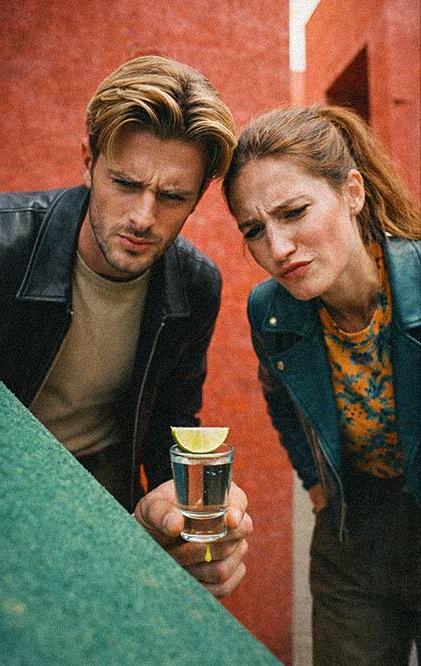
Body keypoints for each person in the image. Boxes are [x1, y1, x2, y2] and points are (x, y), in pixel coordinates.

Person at [0, 55, 252, 598]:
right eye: (125, 183)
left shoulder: (196, 284)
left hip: (104, 512)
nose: (143, 217)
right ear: (88, 162)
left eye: (172, 197)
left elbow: (172, 421)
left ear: (198, 197)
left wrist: (188, 521)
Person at [223, 105, 420, 664]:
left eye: (294, 212)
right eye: (254, 230)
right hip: (352, 528)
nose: (278, 247)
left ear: (352, 192)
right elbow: (281, 397)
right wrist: (315, 484)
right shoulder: (271, 310)